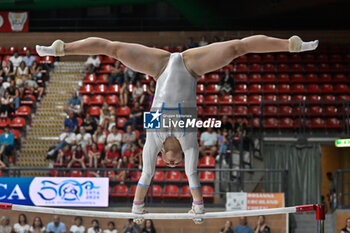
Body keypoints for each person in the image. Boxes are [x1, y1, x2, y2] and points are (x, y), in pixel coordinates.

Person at [36, 34, 318, 223]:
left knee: (114, 49)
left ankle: (62, 49)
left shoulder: (153, 139)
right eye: (176, 163)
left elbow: (146, 174)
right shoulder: (190, 141)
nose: (172, 162)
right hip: (192, 67)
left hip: (158, 67)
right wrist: (198, 206)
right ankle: (293, 45)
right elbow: (192, 174)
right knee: (236, 48)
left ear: (162, 157)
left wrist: (137, 208)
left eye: (168, 164)